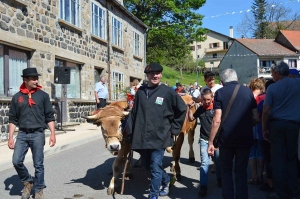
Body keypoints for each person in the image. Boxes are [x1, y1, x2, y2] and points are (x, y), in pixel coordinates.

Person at [126, 62, 187, 199]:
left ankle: (153, 195)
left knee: (154, 167)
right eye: (152, 73)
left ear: (161, 74)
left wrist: (174, 129)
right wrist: (129, 131)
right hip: (142, 136)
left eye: (158, 73)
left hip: (160, 135)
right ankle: (166, 180)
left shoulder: (167, 91)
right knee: (148, 166)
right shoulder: (141, 92)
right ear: (147, 75)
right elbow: (134, 113)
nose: (155, 75)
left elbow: (182, 109)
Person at [207, 68, 259, 199]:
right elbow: (256, 118)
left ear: (222, 81)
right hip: (245, 138)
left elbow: (217, 120)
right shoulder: (248, 92)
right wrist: (246, 126)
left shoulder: (220, 93)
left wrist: (211, 141)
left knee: (226, 171)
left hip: (226, 139)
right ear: (236, 79)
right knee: (241, 172)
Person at [7, 68, 56, 199]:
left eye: (36, 78)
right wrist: (10, 137)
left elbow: (49, 117)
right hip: (22, 134)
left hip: (38, 134)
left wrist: (52, 134)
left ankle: (39, 189)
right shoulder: (17, 97)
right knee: (16, 161)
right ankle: (28, 181)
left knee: (38, 164)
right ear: (25, 80)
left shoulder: (43, 96)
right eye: (33, 79)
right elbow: (13, 119)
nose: (36, 81)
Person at [262, 61, 300, 199]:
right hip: (294, 125)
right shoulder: (297, 83)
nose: (272, 76)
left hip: (277, 125)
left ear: (277, 73)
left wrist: (264, 128)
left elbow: (266, 111)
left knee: (278, 160)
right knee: (291, 158)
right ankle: (294, 191)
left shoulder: (272, 88)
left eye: (272, 74)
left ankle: (280, 193)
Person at [188, 88, 221, 197]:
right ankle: (203, 186)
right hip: (203, 139)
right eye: (204, 99)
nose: (206, 102)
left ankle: (220, 179)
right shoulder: (201, 109)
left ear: (212, 98)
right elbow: (192, 118)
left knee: (218, 161)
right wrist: (190, 108)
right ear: (201, 99)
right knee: (204, 163)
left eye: (208, 99)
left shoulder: (217, 109)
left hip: (216, 141)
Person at [247, 78, 265, 185]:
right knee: (261, 151)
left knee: (252, 152)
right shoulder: (264, 97)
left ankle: (254, 176)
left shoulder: (249, 97)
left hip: (250, 126)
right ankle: (260, 175)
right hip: (261, 127)